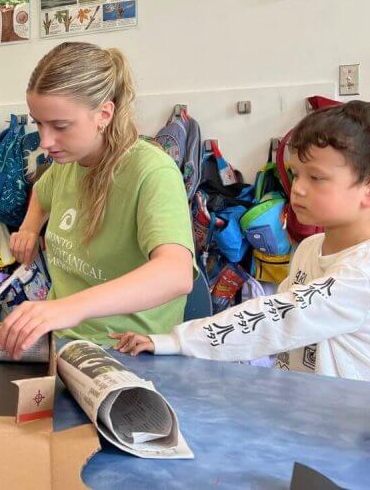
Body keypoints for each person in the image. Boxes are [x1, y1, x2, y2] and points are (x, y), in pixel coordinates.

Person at [111, 101, 370, 382]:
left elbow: (280, 318)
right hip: (303, 410)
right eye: (296, 174)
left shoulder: (363, 272)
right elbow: (281, 336)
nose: (298, 188)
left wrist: (176, 341)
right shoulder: (310, 247)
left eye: (317, 178)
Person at [0, 42, 195, 359]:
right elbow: (42, 192)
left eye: (60, 126)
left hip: (125, 351)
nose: (45, 142)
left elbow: (176, 273)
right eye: (38, 123)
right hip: (62, 344)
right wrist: (30, 226)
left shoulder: (152, 171)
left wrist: (68, 308)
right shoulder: (67, 163)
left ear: (103, 114)